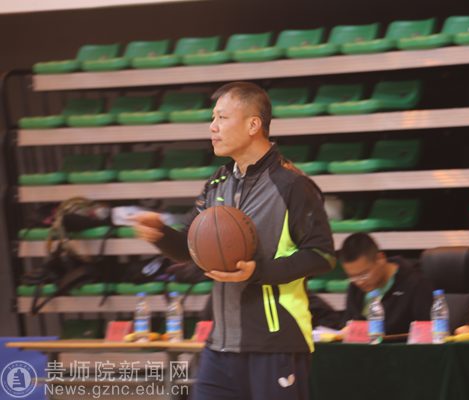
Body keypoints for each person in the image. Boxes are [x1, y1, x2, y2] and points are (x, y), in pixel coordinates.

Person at [133, 81, 335, 400]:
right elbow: (189, 248)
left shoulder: (292, 185)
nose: (212, 127)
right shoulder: (217, 183)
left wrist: (258, 271)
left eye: (222, 118)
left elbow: (322, 256)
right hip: (221, 345)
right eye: (213, 118)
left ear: (253, 125)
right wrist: (160, 234)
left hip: (276, 343)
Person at [339, 232, 433, 335]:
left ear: (380, 258)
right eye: (352, 276)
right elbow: (347, 324)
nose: (359, 282)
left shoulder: (415, 283)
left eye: (364, 274)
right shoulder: (355, 287)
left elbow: (428, 332)